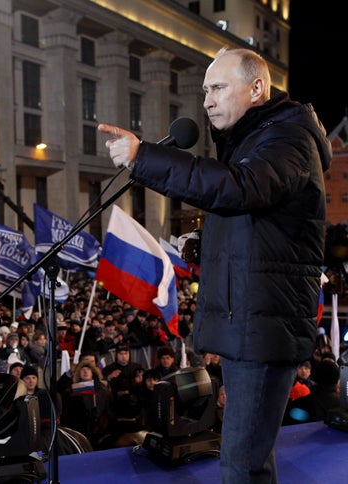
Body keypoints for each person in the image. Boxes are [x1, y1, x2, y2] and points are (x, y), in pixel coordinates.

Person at [99, 47, 331, 483]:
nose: (206, 101)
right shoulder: (260, 139)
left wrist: (143, 157)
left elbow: (241, 189)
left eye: (219, 88)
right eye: (205, 90)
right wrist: (205, 243)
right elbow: (263, 222)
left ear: (257, 88)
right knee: (249, 458)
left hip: (264, 328)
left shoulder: (288, 139)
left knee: (241, 464)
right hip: (252, 322)